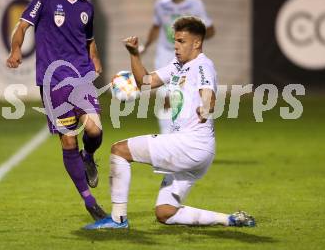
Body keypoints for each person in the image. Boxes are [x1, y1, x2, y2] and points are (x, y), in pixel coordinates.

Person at [85, 16, 255, 229]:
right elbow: (145, 82)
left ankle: (118, 219)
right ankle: (229, 219)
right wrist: (134, 54)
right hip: (197, 150)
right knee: (165, 213)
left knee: (119, 150)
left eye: (181, 41)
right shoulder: (177, 65)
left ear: (197, 43)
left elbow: (209, 96)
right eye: (175, 40)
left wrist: (205, 107)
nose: (175, 46)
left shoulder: (202, 65)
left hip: (190, 144)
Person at [6, 0, 106, 221]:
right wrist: (16, 50)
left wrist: (94, 57)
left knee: (95, 131)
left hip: (81, 77)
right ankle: (89, 201)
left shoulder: (87, 8)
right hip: (53, 83)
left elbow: (88, 40)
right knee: (68, 140)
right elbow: (22, 27)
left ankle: (89, 156)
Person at [141, 0, 215, 134]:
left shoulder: (196, 5)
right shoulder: (161, 4)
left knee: (182, 94)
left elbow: (210, 29)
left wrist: (196, 43)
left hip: (187, 56)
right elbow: (156, 26)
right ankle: (167, 134)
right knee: (166, 95)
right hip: (166, 53)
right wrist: (145, 46)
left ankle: (188, 132)